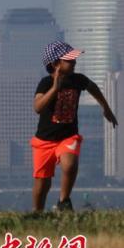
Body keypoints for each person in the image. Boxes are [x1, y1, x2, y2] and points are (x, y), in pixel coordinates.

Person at [32, 41, 118, 212]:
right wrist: (55, 88)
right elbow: (38, 107)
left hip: (68, 136)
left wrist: (106, 108)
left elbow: (93, 88)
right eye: (69, 60)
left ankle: (64, 201)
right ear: (55, 64)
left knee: (70, 164)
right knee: (42, 182)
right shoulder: (45, 83)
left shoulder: (78, 80)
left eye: (74, 59)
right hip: (44, 140)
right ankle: (38, 213)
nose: (75, 62)